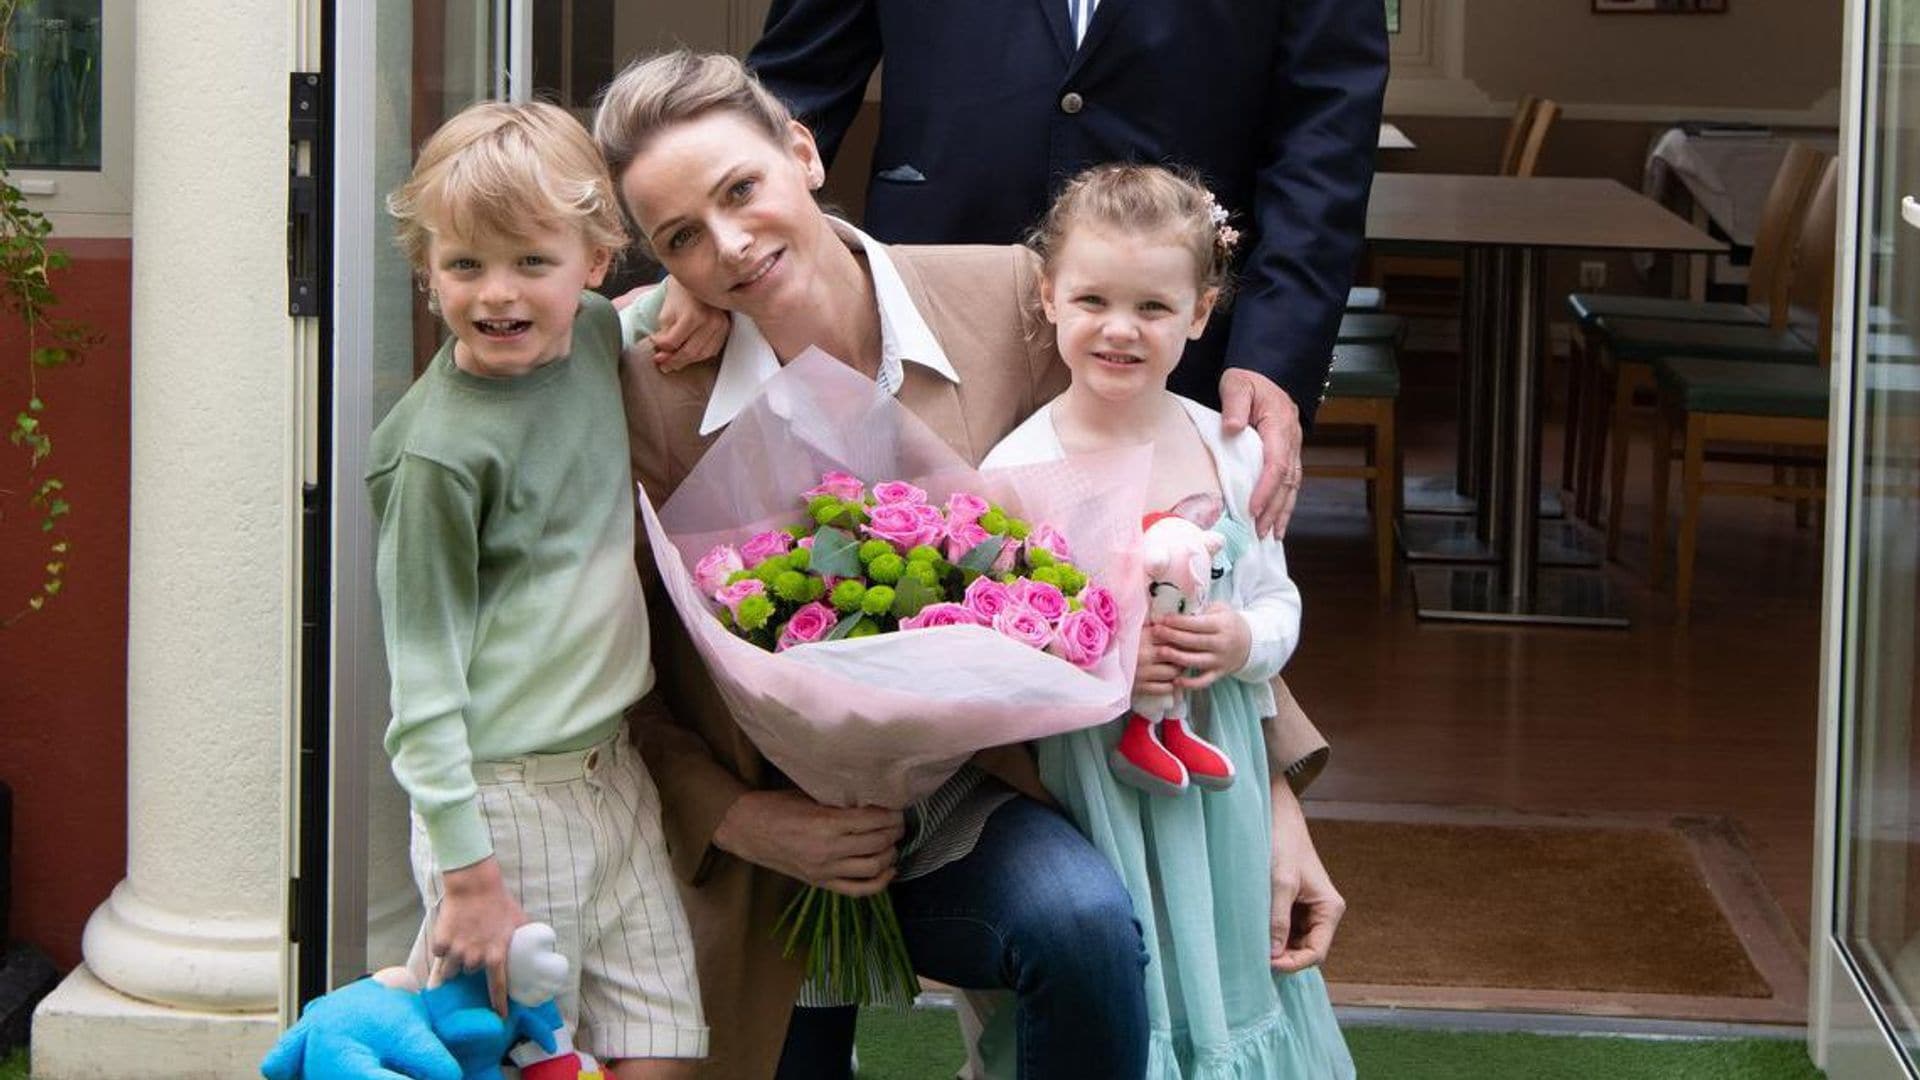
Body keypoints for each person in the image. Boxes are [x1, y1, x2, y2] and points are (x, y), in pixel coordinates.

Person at [595, 51, 1340, 1079]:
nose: (729, 243)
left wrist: (1276, 803)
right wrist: (745, 820)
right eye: (682, 237)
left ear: (803, 151)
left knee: (1078, 921)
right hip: (780, 840)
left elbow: (1166, 542)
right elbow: (616, 681)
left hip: (981, 798)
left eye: (741, 190)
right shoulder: (652, 394)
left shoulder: (1010, 298)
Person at [745, 0, 1389, 539]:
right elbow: (795, 83)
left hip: (1177, 353)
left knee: (1170, 634)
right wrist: (712, 257)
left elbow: (1325, 134)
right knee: (919, 604)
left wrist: (1276, 354)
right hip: (934, 320)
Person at [976, 163, 1350, 1078]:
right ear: (1047, 297)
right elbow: (1002, 647)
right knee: (1132, 961)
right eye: (1092, 298)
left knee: (1224, 954)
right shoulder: (1013, 470)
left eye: (1152, 306)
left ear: (1200, 310)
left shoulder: (1230, 448)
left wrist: (1243, 644)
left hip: (1218, 761)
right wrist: (1102, 664)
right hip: (1093, 773)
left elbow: (1277, 602)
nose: (1118, 328)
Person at [368, 100, 707, 1077]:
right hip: (502, 801)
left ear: (595, 260)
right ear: (428, 267)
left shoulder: (597, 331)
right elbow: (422, 689)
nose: (496, 295)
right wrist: (469, 877)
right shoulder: (435, 455)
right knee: (516, 1060)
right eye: (464, 264)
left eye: (530, 262)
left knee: (662, 1047)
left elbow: (634, 320)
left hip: (614, 774)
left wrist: (693, 297)